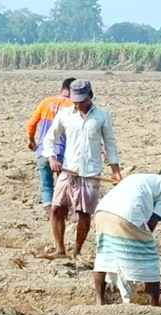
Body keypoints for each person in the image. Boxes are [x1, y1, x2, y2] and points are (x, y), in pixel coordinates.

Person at [41, 79, 122, 260]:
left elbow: (110, 143)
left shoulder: (102, 116)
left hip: (91, 171)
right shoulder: (65, 115)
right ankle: (60, 249)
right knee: (56, 209)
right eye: (75, 100)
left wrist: (115, 170)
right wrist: (52, 158)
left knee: (85, 213)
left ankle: (77, 251)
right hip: (69, 169)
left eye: (81, 100)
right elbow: (49, 139)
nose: (77, 104)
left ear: (90, 97)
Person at [92, 163, 161, 306]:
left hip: (103, 211)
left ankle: (100, 301)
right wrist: (144, 242)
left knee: (104, 256)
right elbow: (154, 220)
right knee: (150, 261)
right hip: (127, 214)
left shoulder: (141, 177)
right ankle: (154, 305)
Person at [25, 77, 76, 218]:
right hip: (63, 152)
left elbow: (32, 124)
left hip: (43, 151)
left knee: (46, 185)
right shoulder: (74, 106)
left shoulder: (46, 102)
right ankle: (65, 212)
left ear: (61, 88)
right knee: (65, 184)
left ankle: (50, 213)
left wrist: (32, 140)